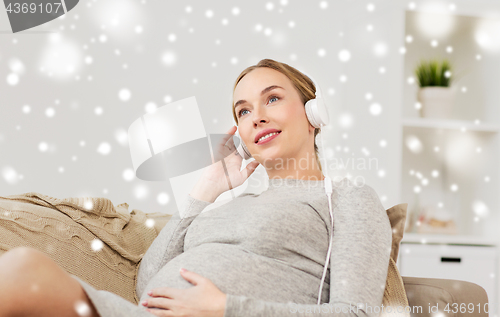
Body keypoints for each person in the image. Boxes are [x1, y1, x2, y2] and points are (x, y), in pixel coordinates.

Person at [0, 58, 392, 317]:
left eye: (272, 98)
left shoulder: (348, 197)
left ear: (313, 114)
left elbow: (356, 312)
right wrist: (208, 187)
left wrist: (227, 308)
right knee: (22, 266)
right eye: (243, 110)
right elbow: (146, 283)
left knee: (23, 270)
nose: (257, 117)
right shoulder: (223, 206)